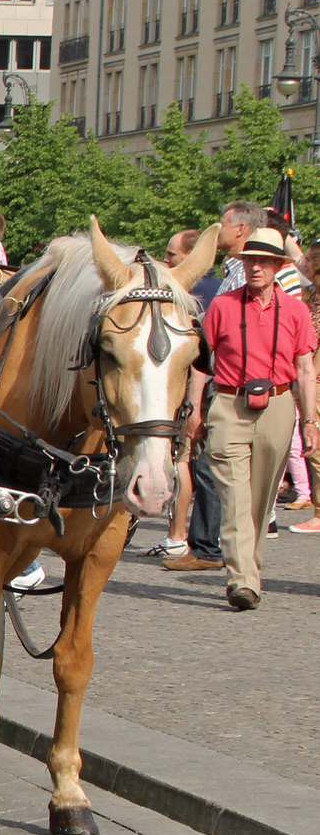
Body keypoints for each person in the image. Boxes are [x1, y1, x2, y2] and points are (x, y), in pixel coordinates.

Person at [186, 228, 320, 610]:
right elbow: (201, 364)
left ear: (279, 266)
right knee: (233, 496)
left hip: (278, 405)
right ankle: (242, 579)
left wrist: (310, 421)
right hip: (229, 404)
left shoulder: (295, 310)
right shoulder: (223, 306)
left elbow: (306, 369)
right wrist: (194, 410)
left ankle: (250, 570)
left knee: (260, 500)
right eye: (250, 260)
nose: (255, 267)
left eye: (263, 261)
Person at [145, 230, 222, 561]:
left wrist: (192, 405)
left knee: (184, 461)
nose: (166, 260)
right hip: (198, 389)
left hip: (190, 389)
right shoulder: (216, 288)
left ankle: (178, 536)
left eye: (171, 254)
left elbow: (200, 353)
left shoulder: (191, 292)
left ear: (191, 258)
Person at [291, 247, 320, 535]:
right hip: (310, 376)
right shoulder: (313, 292)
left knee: (316, 448)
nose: (304, 263)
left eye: (310, 259)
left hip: (317, 378)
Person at [215, 201, 266, 293]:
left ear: (240, 229)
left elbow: (244, 307)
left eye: (222, 225)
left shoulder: (242, 274)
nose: (217, 230)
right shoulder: (237, 271)